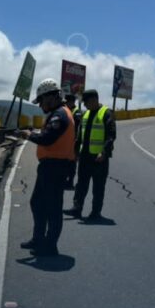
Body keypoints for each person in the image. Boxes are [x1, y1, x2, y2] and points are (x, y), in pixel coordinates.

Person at [17, 78, 75, 257]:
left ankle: (50, 246)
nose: (40, 104)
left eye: (41, 100)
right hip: (50, 167)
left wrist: (28, 135)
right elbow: (46, 134)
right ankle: (39, 239)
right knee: (38, 203)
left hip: (55, 167)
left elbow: (48, 138)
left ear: (52, 96)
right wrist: (33, 133)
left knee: (53, 208)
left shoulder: (60, 115)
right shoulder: (57, 113)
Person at [63, 89, 116, 221]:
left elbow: (111, 136)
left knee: (98, 188)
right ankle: (77, 209)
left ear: (93, 100)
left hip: (99, 159)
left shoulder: (106, 113)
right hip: (85, 157)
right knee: (81, 185)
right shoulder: (85, 114)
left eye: (86, 102)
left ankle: (95, 213)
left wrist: (103, 152)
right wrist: (75, 152)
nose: (84, 105)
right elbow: (80, 136)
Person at [63, 91, 81, 190]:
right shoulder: (67, 110)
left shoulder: (76, 112)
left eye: (67, 102)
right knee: (65, 162)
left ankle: (70, 182)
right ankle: (64, 180)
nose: (65, 103)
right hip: (66, 141)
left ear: (71, 102)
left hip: (74, 142)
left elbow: (77, 127)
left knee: (72, 163)